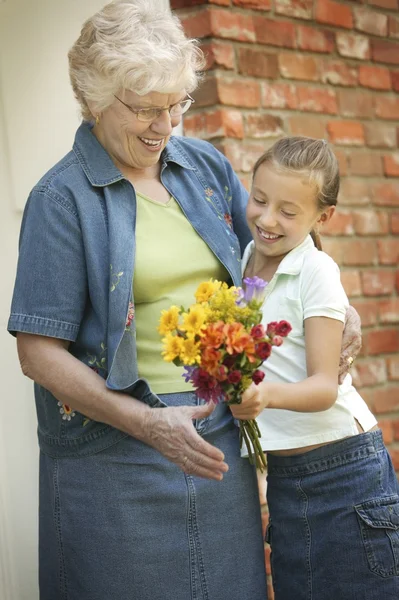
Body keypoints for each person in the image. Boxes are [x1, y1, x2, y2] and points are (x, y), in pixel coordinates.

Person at [7, 2, 360, 598]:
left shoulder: (202, 165)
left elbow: (276, 255)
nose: (164, 125)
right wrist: (148, 423)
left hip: (216, 435)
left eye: (176, 106)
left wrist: (340, 307)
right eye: (145, 108)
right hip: (115, 453)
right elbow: (38, 354)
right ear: (94, 99)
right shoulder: (60, 198)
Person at [231, 136, 399, 600]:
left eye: (288, 211)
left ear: (323, 217)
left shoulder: (316, 270)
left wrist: (263, 396)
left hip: (345, 474)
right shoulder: (247, 261)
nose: (266, 219)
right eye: (260, 200)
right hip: (289, 480)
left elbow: (325, 386)